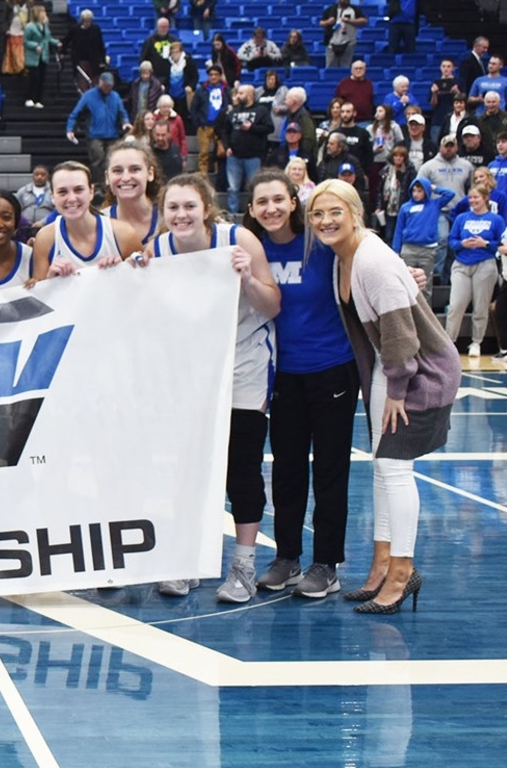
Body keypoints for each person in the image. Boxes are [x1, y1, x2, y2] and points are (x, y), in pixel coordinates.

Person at [307, 180, 459, 614]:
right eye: (317, 214)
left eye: (335, 211)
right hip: (386, 366)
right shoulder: (343, 258)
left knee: (395, 468)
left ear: (355, 212)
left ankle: (402, 571)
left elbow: (401, 334)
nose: (325, 221)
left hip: (418, 371)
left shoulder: (371, 261)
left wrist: (397, 388)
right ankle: (380, 566)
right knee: (382, 468)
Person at [148, 173, 280, 603]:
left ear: (206, 207)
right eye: (173, 208)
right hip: (191, 371)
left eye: (189, 206)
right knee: (188, 467)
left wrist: (247, 278)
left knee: (240, 467)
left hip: (244, 362)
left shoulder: (238, 238)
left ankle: (242, 565)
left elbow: (272, 304)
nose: (181, 214)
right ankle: (187, 560)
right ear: (163, 213)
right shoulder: (160, 248)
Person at [235, 169, 355, 597]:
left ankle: (327, 564)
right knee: (285, 470)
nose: (270, 209)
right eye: (261, 202)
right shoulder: (251, 250)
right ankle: (287, 558)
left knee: (329, 469)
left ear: (293, 201)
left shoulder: (320, 244)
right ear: (251, 210)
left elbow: (367, 258)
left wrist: (409, 277)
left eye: (278, 200)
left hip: (332, 370)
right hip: (281, 374)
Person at [31, 161, 142, 277]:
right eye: (62, 192)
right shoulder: (45, 239)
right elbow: (39, 292)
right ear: (52, 197)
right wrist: (51, 280)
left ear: (91, 191)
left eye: (78, 190)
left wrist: (121, 274)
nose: (72, 198)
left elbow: (142, 286)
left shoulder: (124, 234)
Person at [445, 185, 504, 358]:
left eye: (476, 197)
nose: (473, 201)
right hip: (461, 264)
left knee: (480, 307)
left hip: (485, 264)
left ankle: (476, 342)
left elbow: (501, 245)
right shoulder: (462, 218)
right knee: (456, 306)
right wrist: (462, 244)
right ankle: (449, 342)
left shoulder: (496, 220)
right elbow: (452, 241)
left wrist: (484, 244)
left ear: (485, 198)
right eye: (470, 198)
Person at [222, 85, 273, 214]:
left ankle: (254, 213)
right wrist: (227, 147)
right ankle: (232, 215)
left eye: (241, 93)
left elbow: (269, 128)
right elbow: (225, 131)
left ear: (250, 95)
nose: (238, 96)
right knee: (233, 188)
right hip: (234, 156)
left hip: (254, 156)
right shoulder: (233, 112)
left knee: (254, 187)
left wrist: (252, 128)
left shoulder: (261, 110)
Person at [66, 72, 131, 172]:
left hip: (113, 134)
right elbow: (75, 113)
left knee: (113, 160)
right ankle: (99, 184)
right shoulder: (88, 96)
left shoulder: (115, 96)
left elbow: (122, 113)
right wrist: (70, 129)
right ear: (100, 82)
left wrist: (125, 122)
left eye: (110, 86)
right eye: (106, 85)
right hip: (95, 135)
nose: (108, 88)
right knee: (98, 160)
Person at [103, 143, 161, 244]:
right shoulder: (99, 224)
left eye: (135, 169)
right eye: (117, 171)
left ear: (150, 173)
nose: (126, 178)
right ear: (107, 177)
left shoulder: (169, 218)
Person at [23, 6, 57, 109]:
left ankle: (38, 99)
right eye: (43, 12)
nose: (45, 14)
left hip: (43, 56)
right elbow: (26, 41)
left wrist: (57, 43)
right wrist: (35, 46)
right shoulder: (30, 27)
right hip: (33, 57)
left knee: (42, 79)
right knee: (34, 78)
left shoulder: (45, 26)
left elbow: (48, 38)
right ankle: (30, 98)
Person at [62, 9, 106, 87]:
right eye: (85, 20)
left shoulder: (96, 29)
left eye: (89, 20)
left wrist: (103, 60)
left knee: (94, 81)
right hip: (80, 60)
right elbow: (66, 41)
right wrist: (63, 52)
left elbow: (100, 45)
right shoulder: (75, 29)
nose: (87, 22)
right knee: (82, 82)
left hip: (93, 60)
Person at [320, 0, 366, 68]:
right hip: (332, 42)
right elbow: (321, 23)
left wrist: (350, 21)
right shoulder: (331, 9)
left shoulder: (354, 9)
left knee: (345, 67)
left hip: (349, 42)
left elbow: (364, 21)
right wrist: (328, 22)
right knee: (330, 67)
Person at [17, 165, 54, 236]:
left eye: (43, 175)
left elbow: (57, 211)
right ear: (32, 176)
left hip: (47, 227)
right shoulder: (23, 191)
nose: (39, 177)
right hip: (25, 228)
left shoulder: (53, 191)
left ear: (48, 176)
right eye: (37, 174)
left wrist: (43, 222)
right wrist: (23, 222)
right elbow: (16, 208)